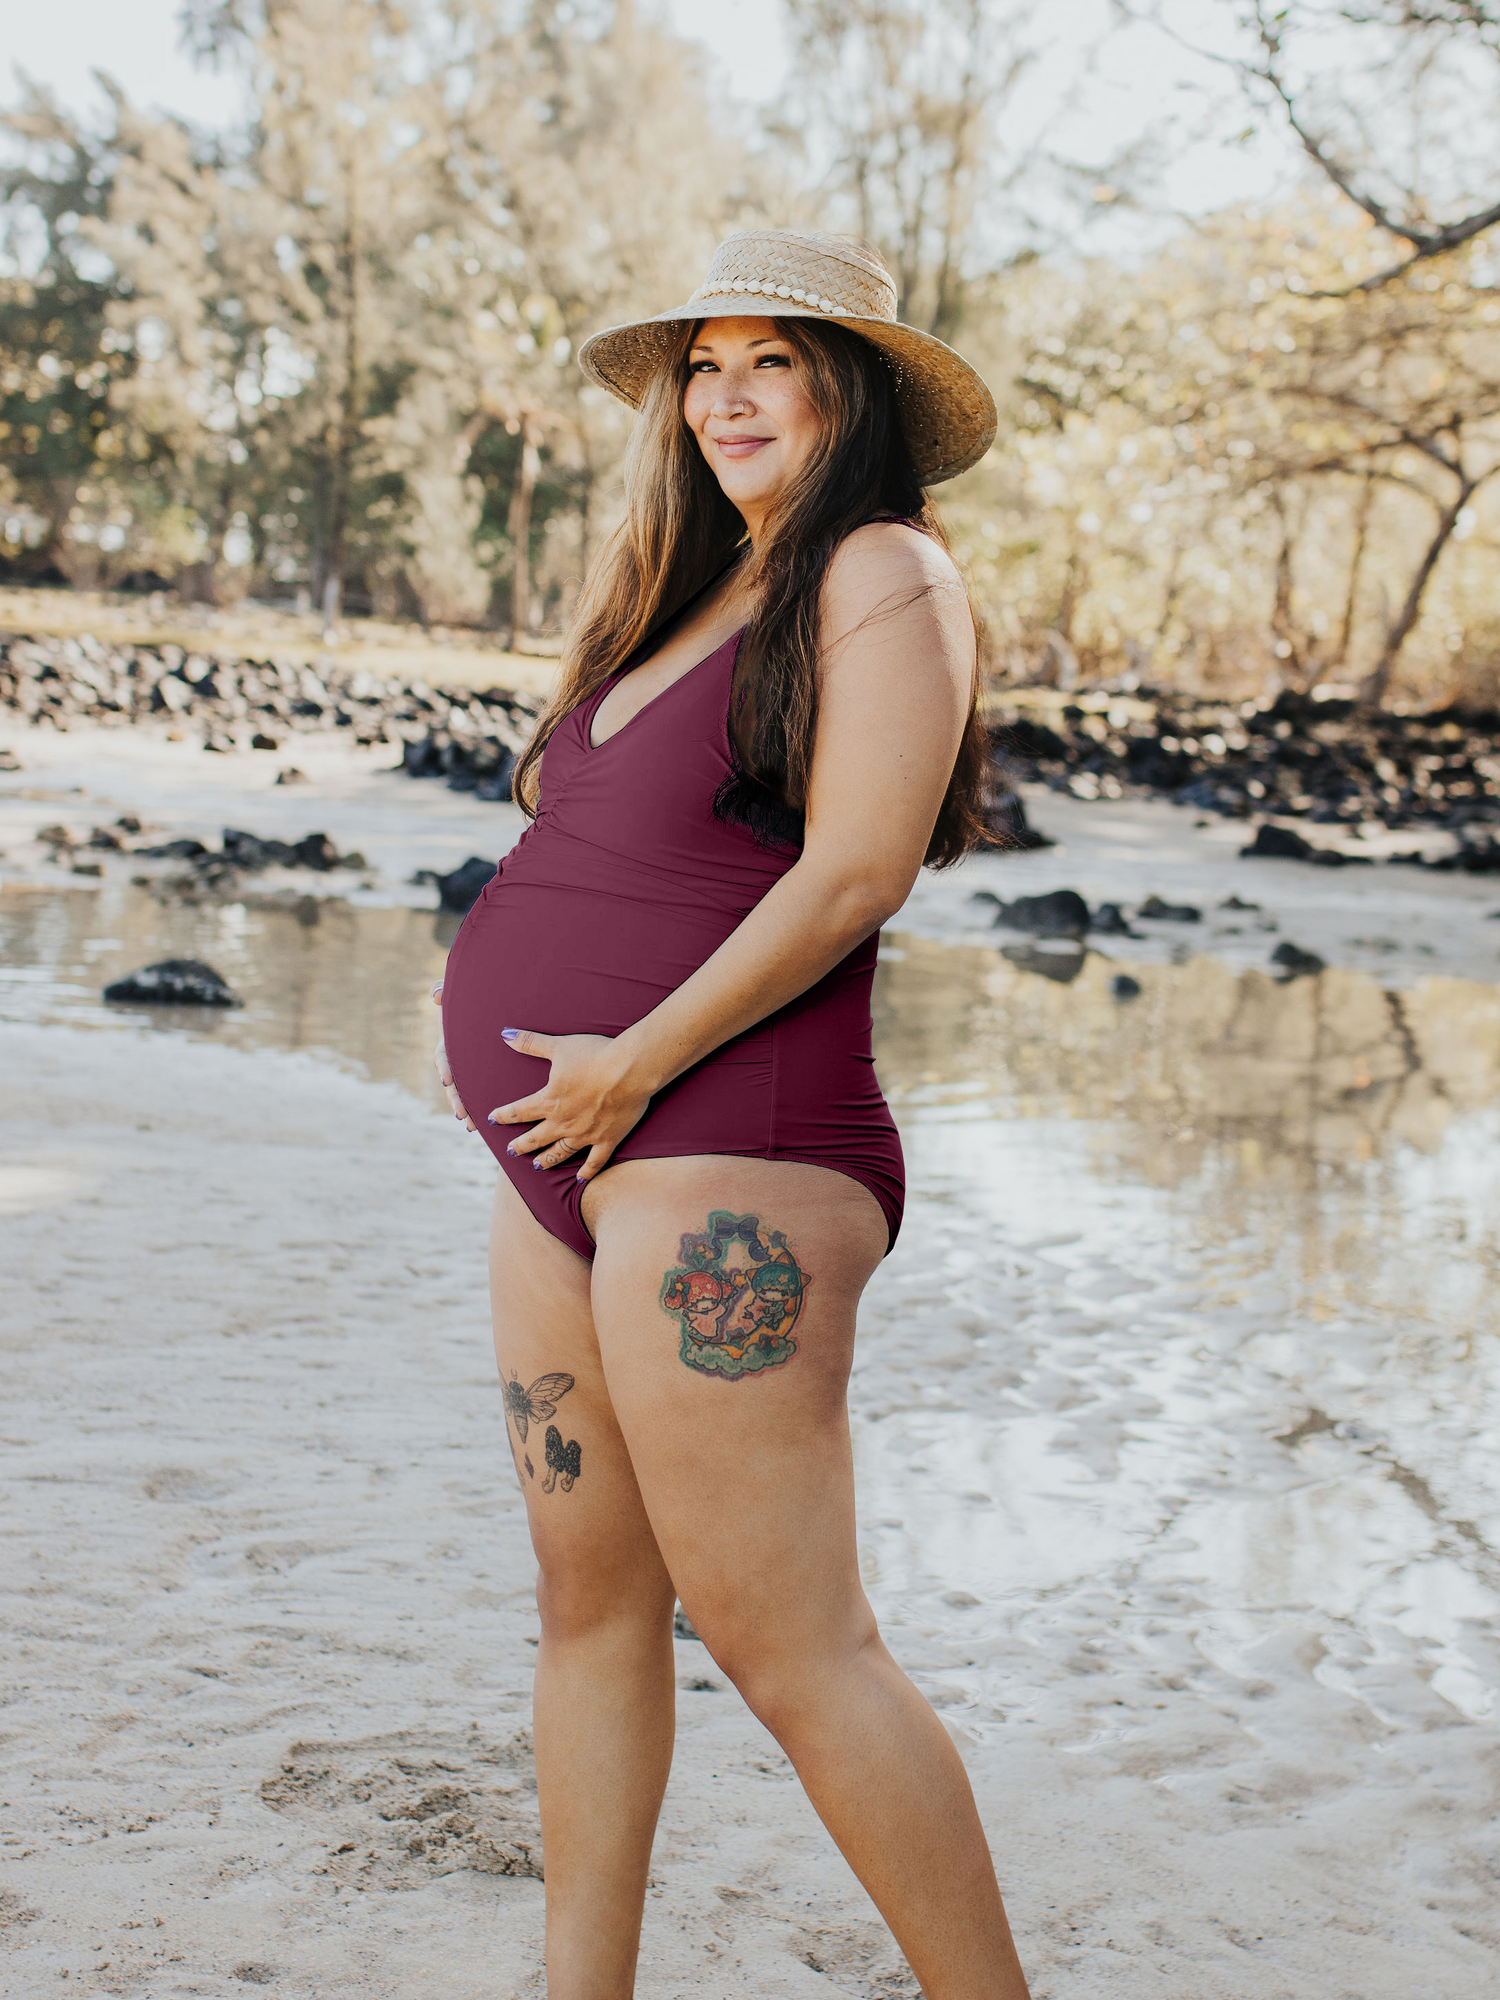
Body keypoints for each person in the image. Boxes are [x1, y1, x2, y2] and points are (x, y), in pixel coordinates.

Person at [433, 229, 1031, 2000]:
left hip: (728, 1148)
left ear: (851, 392)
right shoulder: (698, 580)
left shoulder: (883, 569)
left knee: (798, 1650)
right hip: (573, 1170)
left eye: (774, 358)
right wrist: (579, 1094)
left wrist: (630, 1060)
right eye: (706, 365)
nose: (727, 395)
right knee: (588, 1609)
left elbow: (854, 872)